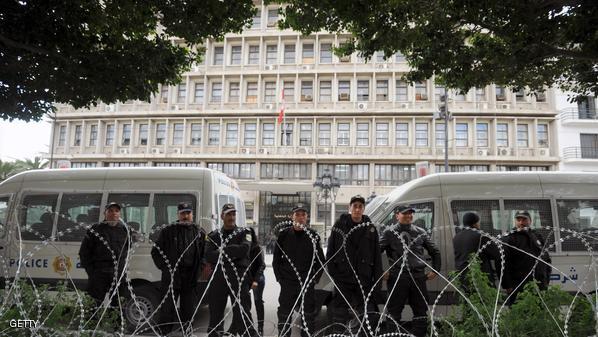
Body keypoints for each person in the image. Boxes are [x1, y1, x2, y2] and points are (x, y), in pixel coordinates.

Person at [379, 205, 441, 337]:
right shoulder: (389, 233)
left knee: (420, 312)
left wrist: (435, 270)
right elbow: (375, 252)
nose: (408, 216)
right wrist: (380, 271)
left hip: (418, 277)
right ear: (397, 216)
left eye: (410, 213)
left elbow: (435, 252)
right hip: (398, 277)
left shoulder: (420, 232)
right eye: (405, 213)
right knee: (394, 312)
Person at [327, 195, 383, 335]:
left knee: (366, 313)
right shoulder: (339, 226)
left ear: (363, 209)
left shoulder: (370, 228)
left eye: (360, 207)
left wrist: (377, 280)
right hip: (343, 277)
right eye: (355, 206)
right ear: (350, 208)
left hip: (363, 278)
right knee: (339, 312)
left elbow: (376, 256)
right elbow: (330, 252)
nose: (357, 209)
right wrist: (335, 275)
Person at [151, 202, 205, 335]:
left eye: (188, 213)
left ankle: (187, 332)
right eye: (183, 213)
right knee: (167, 308)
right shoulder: (168, 231)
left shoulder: (198, 232)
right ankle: (164, 332)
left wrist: (200, 270)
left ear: (192, 214)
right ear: (178, 215)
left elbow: (204, 253)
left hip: (190, 277)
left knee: (188, 309)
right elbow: (155, 252)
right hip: (172, 276)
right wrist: (165, 267)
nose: (185, 216)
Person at [273, 204, 325, 337]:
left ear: (307, 218)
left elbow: (320, 261)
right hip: (288, 282)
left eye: (303, 215)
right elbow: (276, 259)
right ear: (292, 217)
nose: (300, 217)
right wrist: (280, 278)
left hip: (306, 283)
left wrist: (314, 279)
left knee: (308, 317)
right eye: (297, 214)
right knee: (284, 315)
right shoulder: (284, 235)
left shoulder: (313, 236)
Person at [205, 203, 256, 337]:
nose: (232, 217)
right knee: (216, 313)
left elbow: (244, 249)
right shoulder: (213, 235)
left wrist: (221, 251)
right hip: (218, 278)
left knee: (243, 312)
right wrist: (233, 252)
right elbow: (209, 255)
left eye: (233, 214)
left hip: (238, 277)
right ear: (222, 216)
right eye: (228, 214)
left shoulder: (245, 232)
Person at [79, 202, 131, 306]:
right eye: (110, 211)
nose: (114, 213)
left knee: (119, 304)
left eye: (116, 211)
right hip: (99, 272)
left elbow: (128, 249)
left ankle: (115, 322)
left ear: (119, 214)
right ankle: (93, 322)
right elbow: (84, 252)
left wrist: (122, 269)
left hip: (118, 273)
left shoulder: (125, 230)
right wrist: (92, 272)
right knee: (94, 303)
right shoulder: (96, 229)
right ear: (105, 213)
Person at [502, 210, 552, 305]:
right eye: (518, 220)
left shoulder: (537, 236)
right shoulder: (509, 238)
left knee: (538, 314)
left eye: (524, 219)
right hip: (519, 286)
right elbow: (504, 263)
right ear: (515, 221)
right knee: (519, 315)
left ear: (530, 221)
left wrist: (546, 278)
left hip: (539, 284)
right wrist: (507, 285)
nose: (521, 222)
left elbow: (546, 258)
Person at [453, 212, 502, 291]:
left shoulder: (457, 237)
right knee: (485, 301)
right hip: (480, 277)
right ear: (475, 223)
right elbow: (496, 253)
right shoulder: (480, 235)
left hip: (462, 277)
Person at [248, 227, 266, 336]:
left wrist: (255, 280)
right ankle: (247, 325)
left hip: (257, 278)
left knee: (258, 301)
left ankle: (260, 327)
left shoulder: (257, 248)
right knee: (244, 302)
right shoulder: (243, 247)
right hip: (246, 278)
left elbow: (262, 265)